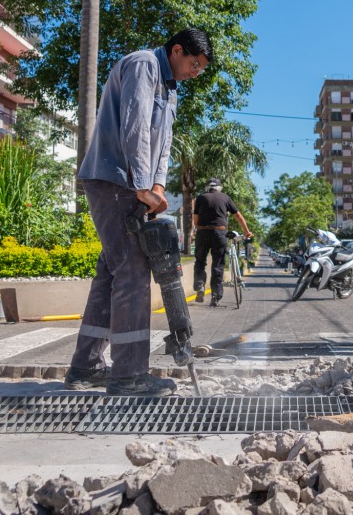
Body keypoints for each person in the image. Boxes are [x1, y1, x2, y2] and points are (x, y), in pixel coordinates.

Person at [65, 28, 212, 396]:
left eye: (200, 69)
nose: (195, 73)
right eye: (194, 64)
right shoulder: (144, 65)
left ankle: (86, 367)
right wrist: (143, 186)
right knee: (132, 272)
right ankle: (129, 375)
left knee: (111, 272)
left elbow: (164, 144)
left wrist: (158, 187)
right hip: (116, 181)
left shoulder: (171, 89)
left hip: (133, 187)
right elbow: (136, 127)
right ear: (176, 50)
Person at [192, 178, 253, 307]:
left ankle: (200, 285)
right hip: (219, 233)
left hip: (202, 232)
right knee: (218, 264)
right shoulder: (225, 197)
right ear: (219, 188)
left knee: (200, 261)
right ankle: (215, 296)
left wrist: (200, 230)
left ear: (207, 188)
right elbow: (238, 216)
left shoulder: (200, 198)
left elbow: (195, 219)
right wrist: (246, 231)